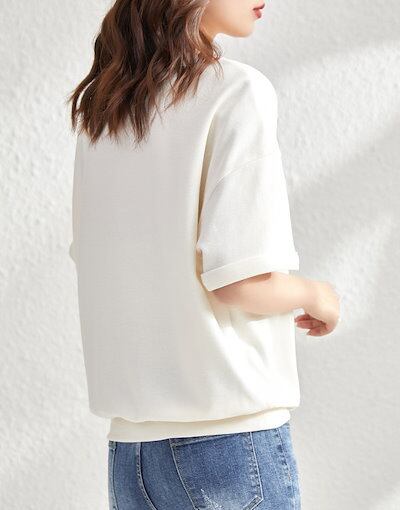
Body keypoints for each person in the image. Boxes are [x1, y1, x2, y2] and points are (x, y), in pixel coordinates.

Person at [67, 1, 340, 508]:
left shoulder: (106, 109)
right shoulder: (236, 91)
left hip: (132, 456)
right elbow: (239, 280)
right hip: (227, 447)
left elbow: (102, 262)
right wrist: (316, 294)